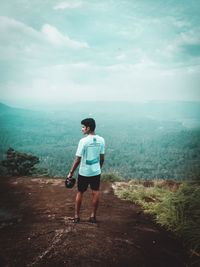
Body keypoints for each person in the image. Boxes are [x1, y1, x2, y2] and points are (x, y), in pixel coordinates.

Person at [67, 118, 105, 223]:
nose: (82, 129)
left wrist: (71, 172)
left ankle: (76, 216)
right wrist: (98, 168)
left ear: (88, 128)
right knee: (95, 192)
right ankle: (93, 216)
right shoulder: (101, 140)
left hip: (84, 172)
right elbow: (102, 158)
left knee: (80, 192)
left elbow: (77, 159)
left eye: (83, 127)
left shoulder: (83, 141)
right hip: (96, 172)